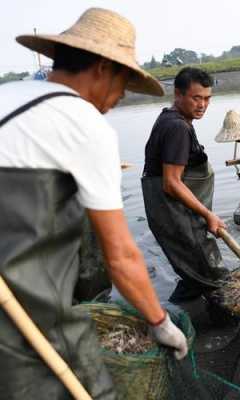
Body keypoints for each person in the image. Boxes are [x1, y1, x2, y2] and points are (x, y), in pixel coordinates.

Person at [0, 8, 187, 399]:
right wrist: (158, 321)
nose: (119, 99)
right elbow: (120, 255)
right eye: (124, 83)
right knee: (86, 386)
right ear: (103, 68)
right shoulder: (84, 123)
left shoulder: (10, 94)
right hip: (18, 318)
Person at [142, 67, 227, 306]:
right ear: (178, 94)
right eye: (196, 98)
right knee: (214, 275)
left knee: (193, 273)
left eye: (207, 98)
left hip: (169, 213)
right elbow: (171, 183)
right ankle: (222, 324)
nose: (202, 105)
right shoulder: (177, 127)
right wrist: (208, 215)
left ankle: (174, 310)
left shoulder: (170, 118)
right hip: (177, 214)